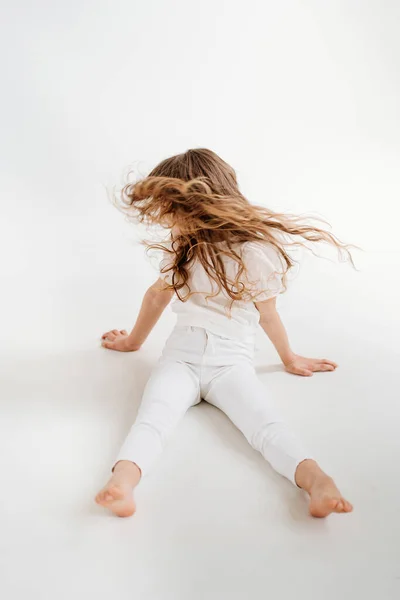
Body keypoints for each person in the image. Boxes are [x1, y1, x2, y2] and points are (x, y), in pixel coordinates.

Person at [95, 148, 353, 519]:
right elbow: (156, 297)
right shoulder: (182, 248)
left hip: (230, 366)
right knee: (153, 419)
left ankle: (317, 482)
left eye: (170, 211)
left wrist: (289, 357)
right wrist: (132, 342)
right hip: (179, 361)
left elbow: (268, 315)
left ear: (198, 205)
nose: (166, 220)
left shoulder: (254, 252)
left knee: (265, 424)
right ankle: (122, 483)